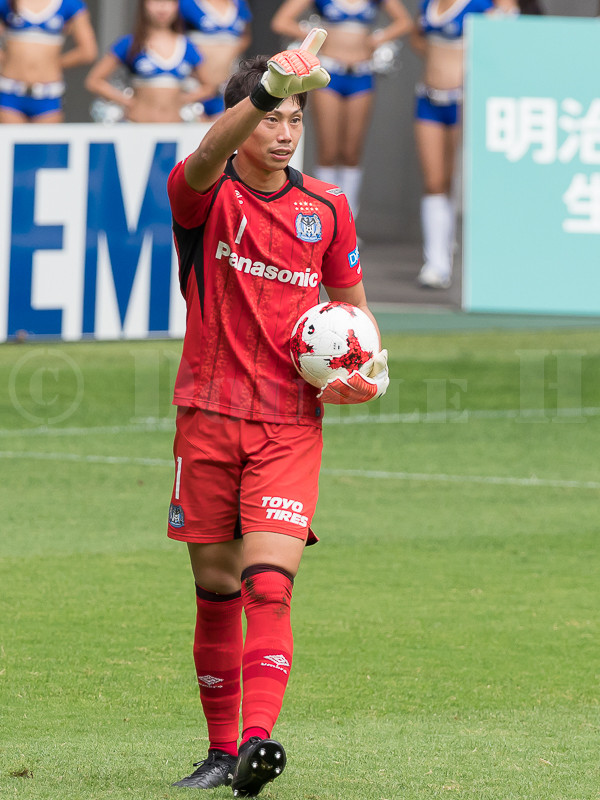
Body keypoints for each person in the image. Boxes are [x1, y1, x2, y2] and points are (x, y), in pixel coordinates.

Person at [165, 28, 389, 797]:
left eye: (295, 119)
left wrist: (366, 371)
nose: (286, 132)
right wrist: (262, 88)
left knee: (269, 585)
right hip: (208, 415)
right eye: (271, 117)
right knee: (216, 590)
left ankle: (257, 745)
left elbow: (356, 319)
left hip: (289, 427)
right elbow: (201, 155)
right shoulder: (201, 194)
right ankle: (220, 750)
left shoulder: (327, 207)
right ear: (241, 120)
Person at [271, 0, 412, 219]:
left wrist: (377, 38)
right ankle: (324, 217)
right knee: (328, 151)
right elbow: (280, 21)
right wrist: (314, 37)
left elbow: (405, 21)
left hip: (362, 74)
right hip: (329, 73)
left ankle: (348, 220)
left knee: (351, 152)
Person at [410, 0, 494, 289]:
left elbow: (506, 32)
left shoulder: (481, 5)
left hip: (462, 100)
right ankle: (435, 263)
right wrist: (438, 56)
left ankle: (457, 251)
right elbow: (416, 35)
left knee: (458, 179)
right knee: (434, 181)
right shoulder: (428, 4)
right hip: (428, 98)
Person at [85, 0, 213, 124]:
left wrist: (184, 99)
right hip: (137, 126)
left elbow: (209, 86)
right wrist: (126, 101)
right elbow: (94, 81)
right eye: (155, 1)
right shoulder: (131, 43)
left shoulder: (188, 46)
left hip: (175, 129)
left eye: (169, 1)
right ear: (143, 5)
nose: (162, 7)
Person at [0, 0, 97, 123]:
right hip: (11, 91)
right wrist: (9, 59)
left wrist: (53, 64)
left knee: (45, 142)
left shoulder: (70, 4)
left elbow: (88, 52)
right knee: (8, 141)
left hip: (48, 94)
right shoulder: (6, 3)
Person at [178, 0, 252, 119]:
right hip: (195, 88)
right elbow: (173, 38)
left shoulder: (239, 3)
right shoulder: (186, 4)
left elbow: (245, 37)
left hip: (225, 88)